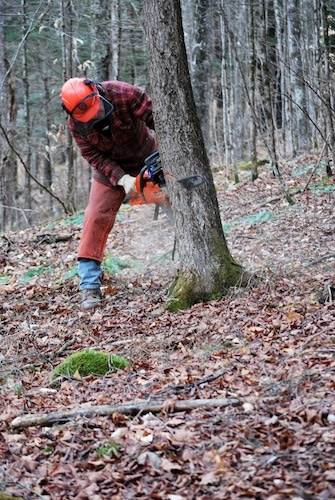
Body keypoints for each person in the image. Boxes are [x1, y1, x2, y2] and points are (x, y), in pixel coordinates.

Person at [60, 77, 158, 310]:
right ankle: (89, 285)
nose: (94, 116)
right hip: (109, 170)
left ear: (96, 90)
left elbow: (162, 121)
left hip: (147, 157)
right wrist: (122, 179)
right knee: (94, 217)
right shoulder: (76, 125)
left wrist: (165, 157)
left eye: (95, 109)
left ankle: (192, 257)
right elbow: (93, 156)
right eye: (87, 116)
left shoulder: (124, 93)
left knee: (173, 202)